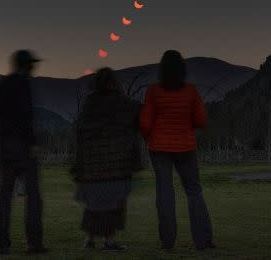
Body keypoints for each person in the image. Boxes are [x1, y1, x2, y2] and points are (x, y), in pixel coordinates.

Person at [139, 50, 214, 250]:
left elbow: (145, 123)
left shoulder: (153, 91)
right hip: (186, 147)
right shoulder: (190, 91)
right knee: (194, 192)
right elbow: (201, 120)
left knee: (164, 192)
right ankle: (203, 241)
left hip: (159, 148)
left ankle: (168, 241)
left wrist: (151, 138)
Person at [71, 68, 142, 252]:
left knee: (93, 204)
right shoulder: (121, 102)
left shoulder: (90, 102)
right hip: (116, 164)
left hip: (91, 164)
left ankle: (89, 240)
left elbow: (81, 131)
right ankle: (109, 241)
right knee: (112, 204)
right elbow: (135, 114)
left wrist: (79, 164)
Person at [0, 50, 47, 255]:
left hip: (4, 146)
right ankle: (34, 243)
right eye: (31, 65)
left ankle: (2, 243)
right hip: (22, 146)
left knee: (5, 195)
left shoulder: (4, 84)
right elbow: (26, 115)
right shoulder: (23, 84)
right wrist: (32, 143)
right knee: (33, 197)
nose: (33, 68)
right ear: (26, 65)